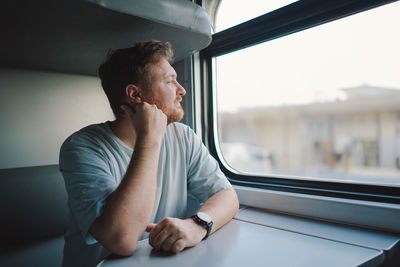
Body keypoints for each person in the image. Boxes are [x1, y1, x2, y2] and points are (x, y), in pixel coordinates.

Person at [59, 41, 239, 267]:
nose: (181, 90)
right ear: (135, 94)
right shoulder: (82, 147)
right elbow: (121, 240)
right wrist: (149, 139)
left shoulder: (182, 135)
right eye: (170, 81)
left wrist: (197, 225)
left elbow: (227, 196)